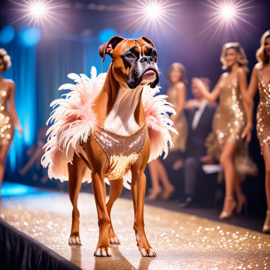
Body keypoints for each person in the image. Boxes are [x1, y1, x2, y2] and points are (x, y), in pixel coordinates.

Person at [192, 43, 253, 219]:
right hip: (221, 121)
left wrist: (249, 123)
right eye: (226, 54)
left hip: (236, 119)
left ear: (238, 56)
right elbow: (211, 97)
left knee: (225, 159)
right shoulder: (224, 75)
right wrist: (201, 86)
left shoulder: (240, 72)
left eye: (232, 54)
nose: (228, 57)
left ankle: (229, 200)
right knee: (229, 161)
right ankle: (240, 197)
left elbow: (246, 98)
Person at [147, 63, 188, 200]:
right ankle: (163, 186)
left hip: (177, 124)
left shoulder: (180, 86)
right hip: (171, 121)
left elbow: (180, 106)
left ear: (182, 74)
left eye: (178, 72)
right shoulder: (172, 87)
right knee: (153, 155)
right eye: (173, 72)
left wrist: (169, 124)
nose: (175, 74)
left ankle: (162, 186)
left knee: (153, 154)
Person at [245, 30, 270, 233]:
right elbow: (248, 96)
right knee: (269, 169)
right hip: (265, 123)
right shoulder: (258, 68)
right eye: (267, 43)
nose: (269, 46)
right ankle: (269, 213)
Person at [178, 78, 216, 207]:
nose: (196, 90)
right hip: (191, 154)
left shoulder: (213, 109)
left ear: (207, 90)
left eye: (199, 87)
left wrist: (214, 155)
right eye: (194, 88)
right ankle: (187, 196)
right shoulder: (192, 109)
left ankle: (190, 197)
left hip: (207, 155)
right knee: (184, 162)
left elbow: (217, 135)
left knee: (190, 163)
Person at [0, 49, 23, 204]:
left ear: (5, 65)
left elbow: (12, 107)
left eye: (1, 63)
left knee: (1, 158)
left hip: (7, 123)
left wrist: (18, 124)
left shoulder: (10, 84)